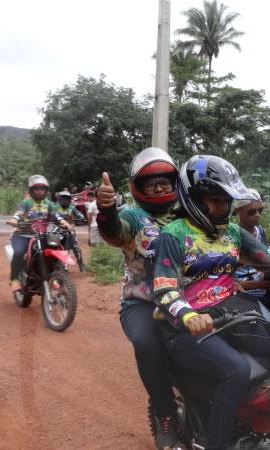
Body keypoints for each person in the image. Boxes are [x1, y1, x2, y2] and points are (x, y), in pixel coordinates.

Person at [152, 155, 270, 450]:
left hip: (230, 314)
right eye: (216, 200)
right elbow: (164, 290)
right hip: (187, 327)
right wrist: (189, 315)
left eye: (227, 201)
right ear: (193, 198)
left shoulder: (232, 233)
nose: (223, 208)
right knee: (236, 371)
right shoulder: (173, 235)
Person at [96, 147, 181, 450]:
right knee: (146, 343)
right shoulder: (134, 215)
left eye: (165, 182)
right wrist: (106, 212)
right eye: (151, 183)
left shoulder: (188, 212)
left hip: (189, 299)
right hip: (142, 302)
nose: (159, 188)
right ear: (138, 188)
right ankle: (166, 413)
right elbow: (115, 233)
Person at [6, 175, 71, 292]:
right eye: (37, 188)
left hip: (42, 236)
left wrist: (63, 222)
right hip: (23, 235)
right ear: (31, 190)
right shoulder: (26, 203)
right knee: (19, 252)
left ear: (46, 191)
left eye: (42, 188)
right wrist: (14, 219)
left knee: (55, 251)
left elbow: (55, 215)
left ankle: (55, 277)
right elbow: (19, 212)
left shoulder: (49, 204)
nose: (40, 191)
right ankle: (14, 279)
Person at [54, 191, 87, 271]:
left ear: (70, 200)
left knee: (76, 247)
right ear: (59, 199)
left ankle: (81, 264)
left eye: (67, 198)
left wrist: (81, 217)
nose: (65, 200)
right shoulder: (54, 207)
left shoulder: (72, 207)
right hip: (56, 231)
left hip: (69, 230)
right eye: (63, 198)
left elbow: (79, 214)